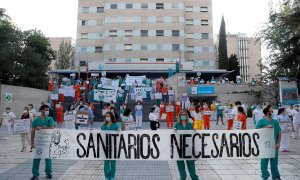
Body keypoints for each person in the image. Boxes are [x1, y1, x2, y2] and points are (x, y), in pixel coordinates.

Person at [256, 106, 281, 180]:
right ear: (267, 112)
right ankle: (265, 176)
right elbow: (257, 131)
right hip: (264, 145)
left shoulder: (275, 121)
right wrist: (266, 127)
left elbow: (279, 132)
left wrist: (278, 143)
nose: (273, 112)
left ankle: (276, 176)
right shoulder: (261, 121)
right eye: (271, 111)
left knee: (274, 162)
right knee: (264, 162)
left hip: (274, 145)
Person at [31, 105, 55, 180]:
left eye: (48, 110)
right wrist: (32, 142)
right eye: (45, 109)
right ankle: (35, 174)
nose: (47, 111)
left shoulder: (50, 119)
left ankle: (49, 173)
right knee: (36, 158)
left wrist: (42, 128)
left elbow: (52, 128)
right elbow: (33, 131)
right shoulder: (36, 120)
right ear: (41, 110)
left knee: (48, 158)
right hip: (38, 142)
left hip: (47, 142)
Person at [174, 110, 199, 180]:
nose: (183, 116)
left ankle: (194, 178)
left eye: (184, 114)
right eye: (181, 114)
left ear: (187, 116)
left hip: (189, 148)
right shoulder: (176, 125)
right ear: (179, 116)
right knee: (180, 166)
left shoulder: (190, 124)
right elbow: (174, 136)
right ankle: (183, 177)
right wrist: (174, 131)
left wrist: (194, 130)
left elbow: (194, 136)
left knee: (191, 165)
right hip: (180, 148)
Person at [101, 112, 119, 180]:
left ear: (111, 117)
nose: (107, 117)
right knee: (106, 162)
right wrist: (92, 131)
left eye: (108, 116)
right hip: (105, 146)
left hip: (113, 146)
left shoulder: (116, 125)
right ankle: (106, 176)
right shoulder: (103, 125)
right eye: (106, 116)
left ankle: (112, 176)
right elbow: (100, 134)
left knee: (113, 162)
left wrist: (118, 132)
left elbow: (119, 134)